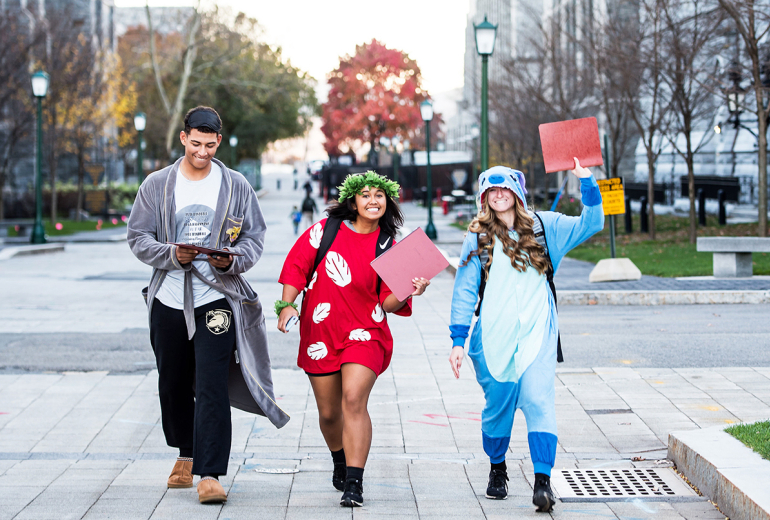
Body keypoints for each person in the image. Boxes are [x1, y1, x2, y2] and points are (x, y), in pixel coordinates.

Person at [127, 106, 289, 505]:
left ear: (219, 141)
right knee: (173, 381)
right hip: (168, 297)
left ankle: (211, 473)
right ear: (183, 138)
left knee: (212, 382)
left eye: (210, 145)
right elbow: (137, 236)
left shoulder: (235, 185)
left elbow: (254, 239)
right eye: (195, 144)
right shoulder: (157, 185)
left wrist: (231, 259)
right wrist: (170, 254)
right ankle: (185, 451)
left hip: (216, 297)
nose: (202, 152)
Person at [448, 160, 603, 512]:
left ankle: (543, 481)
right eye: (491, 190)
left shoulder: (545, 226)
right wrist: (458, 339)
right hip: (493, 335)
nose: (498, 195)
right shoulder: (477, 235)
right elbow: (464, 289)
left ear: (517, 192)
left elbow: (592, 222)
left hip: (537, 332)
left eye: (504, 188)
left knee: (537, 399)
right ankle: (497, 468)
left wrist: (586, 180)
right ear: (483, 197)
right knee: (497, 408)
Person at [276, 171, 430, 508]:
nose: (373, 200)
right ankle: (340, 460)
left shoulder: (390, 244)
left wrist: (409, 289)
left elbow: (389, 304)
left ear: (388, 201)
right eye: (366, 195)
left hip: (366, 332)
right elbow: (296, 267)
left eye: (380, 195)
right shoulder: (324, 230)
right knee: (330, 413)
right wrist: (287, 306)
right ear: (353, 201)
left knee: (353, 398)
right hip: (321, 332)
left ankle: (354, 483)